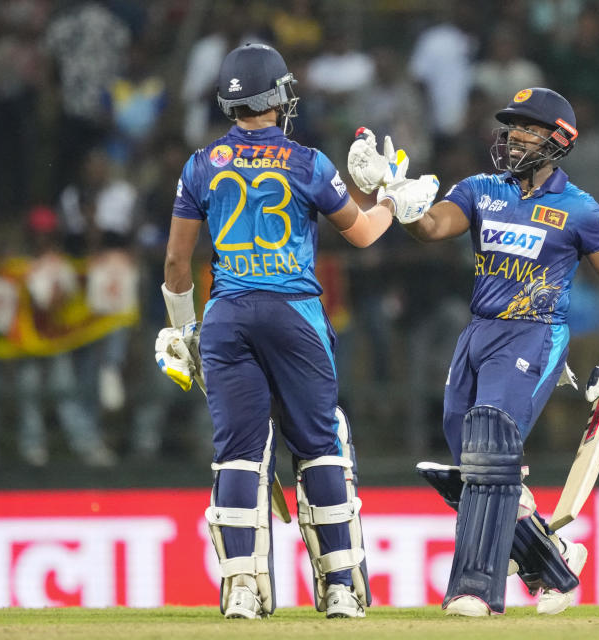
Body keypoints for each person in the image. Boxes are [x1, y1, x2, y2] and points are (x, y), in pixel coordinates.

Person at [153, 43, 435, 620]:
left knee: (237, 455)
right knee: (319, 446)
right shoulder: (307, 162)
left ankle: (239, 591)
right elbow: (361, 235)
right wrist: (391, 201)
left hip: (227, 315)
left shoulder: (200, 165)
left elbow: (177, 266)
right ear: (279, 97)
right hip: (293, 314)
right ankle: (338, 589)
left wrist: (184, 331)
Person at [348, 87, 599, 616]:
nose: (512, 138)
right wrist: (394, 192)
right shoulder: (481, 188)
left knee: (489, 447)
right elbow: (432, 227)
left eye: (526, 129)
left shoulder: (578, 208)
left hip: (534, 333)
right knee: (473, 464)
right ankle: (554, 562)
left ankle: (475, 590)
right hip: (478, 333)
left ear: (557, 140)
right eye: (510, 128)